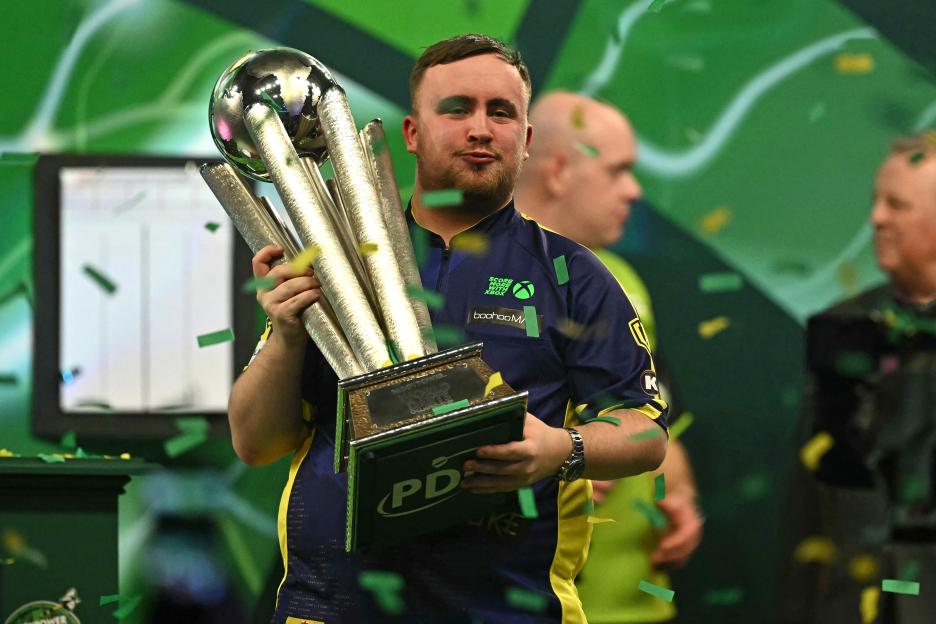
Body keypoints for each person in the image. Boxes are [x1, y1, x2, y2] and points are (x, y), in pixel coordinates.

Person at [229, 34, 669, 624]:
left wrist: (562, 448)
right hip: (331, 609)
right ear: (412, 133)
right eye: (457, 108)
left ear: (527, 141)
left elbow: (647, 433)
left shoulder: (572, 275)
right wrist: (284, 333)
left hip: (506, 611)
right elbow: (256, 442)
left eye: (501, 111)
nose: (480, 128)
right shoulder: (332, 258)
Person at [514, 92, 703, 624]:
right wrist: (560, 461)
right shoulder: (470, 284)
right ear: (558, 172)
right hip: (528, 603)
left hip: (639, 608)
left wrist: (681, 501)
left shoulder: (627, 284)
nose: (634, 190)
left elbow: (664, 432)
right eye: (619, 171)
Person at [781, 132, 936, 624]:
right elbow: (808, 498)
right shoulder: (845, 326)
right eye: (876, 202)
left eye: (897, 204)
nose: (876, 219)